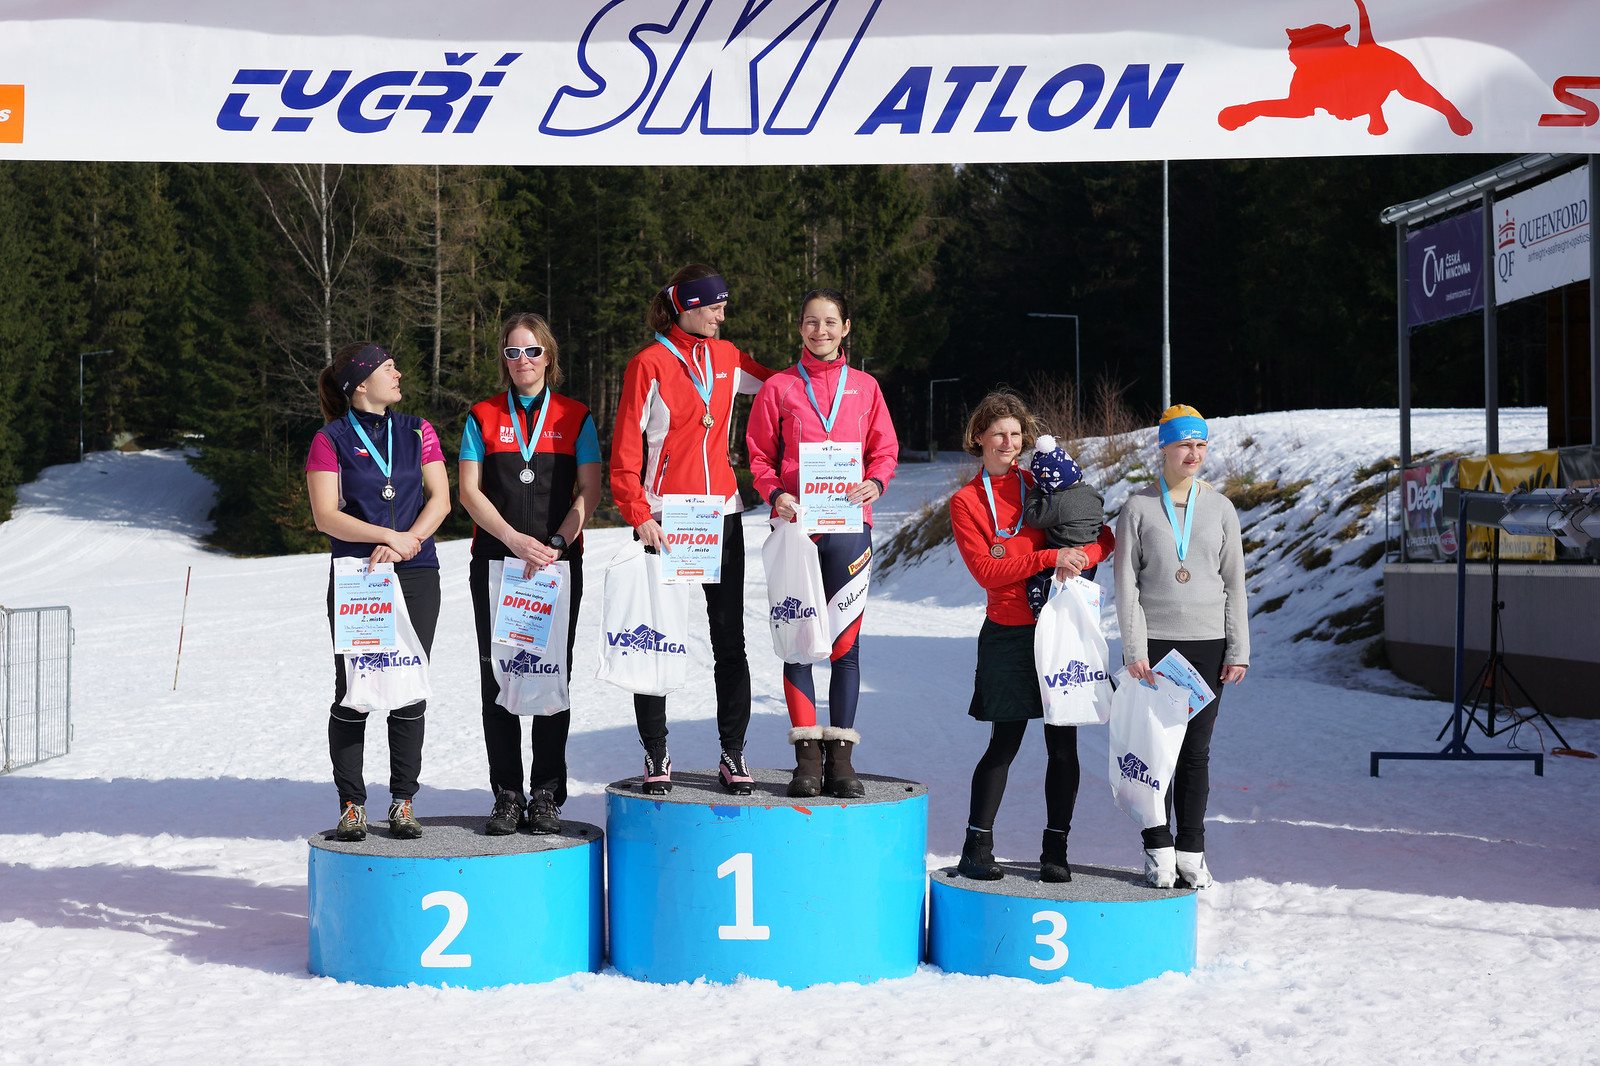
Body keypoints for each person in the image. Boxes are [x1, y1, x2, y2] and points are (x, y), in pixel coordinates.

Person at [610, 264, 775, 795]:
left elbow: (782, 386)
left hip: (721, 513)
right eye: (715, 308)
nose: (722, 316)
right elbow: (625, 450)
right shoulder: (649, 363)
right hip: (665, 517)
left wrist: (830, 365)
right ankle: (656, 752)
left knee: (730, 639)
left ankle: (733, 751)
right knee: (656, 637)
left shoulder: (727, 356)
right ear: (687, 306)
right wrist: (638, 512)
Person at [948, 391, 1115, 882]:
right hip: (1008, 632)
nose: (1009, 442)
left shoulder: (1042, 482)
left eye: (1016, 433)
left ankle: (1055, 852)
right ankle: (976, 848)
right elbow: (986, 570)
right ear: (978, 438)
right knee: (1004, 744)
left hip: (1061, 629)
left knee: (1063, 746)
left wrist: (1083, 556)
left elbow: (1100, 536)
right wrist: (1049, 557)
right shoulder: (966, 501)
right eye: (998, 433)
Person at [746, 288, 899, 798]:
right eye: (811, 322)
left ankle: (842, 761)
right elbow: (759, 456)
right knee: (798, 642)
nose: (821, 331)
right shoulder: (779, 387)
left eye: (830, 322)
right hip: (797, 529)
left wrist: (875, 482)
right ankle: (807, 761)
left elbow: (885, 449)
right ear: (799, 327)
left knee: (845, 647)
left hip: (850, 528)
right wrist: (776, 494)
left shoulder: (866, 388)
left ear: (846, 327)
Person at [459, 314, 602, 836]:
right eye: (513, 351)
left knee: (550, 674)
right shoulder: (482, 415)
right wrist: (513, 540)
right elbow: (469, 492)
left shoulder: (576, 416)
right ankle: (506, 792)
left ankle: (545, 793)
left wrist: (557, 542)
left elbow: (590, 490)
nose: (523, 360)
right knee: (498, 677)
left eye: (533, 351)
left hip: (556, 564)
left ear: (549, 356)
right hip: (497, 563)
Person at [306, 343, 450, 841]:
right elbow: (326, 515)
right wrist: (387, 536)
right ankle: (352, 804)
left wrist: (408, 543)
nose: (399, 373)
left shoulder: (417, 429)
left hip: (416, 570)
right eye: (389, 368)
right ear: (361, 383)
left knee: (408, 686)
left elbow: (441, 499)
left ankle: (403, 801)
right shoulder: (330, 439)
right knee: (355, 690)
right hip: (360, 576)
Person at [1113, 404, 1249, 890]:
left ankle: (1192, 852)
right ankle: (1158, 849)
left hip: (1208, 646)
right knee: (1156, 752)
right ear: (1164, 448)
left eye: (1200, 445)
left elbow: (1235, 582)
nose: (1193, 454)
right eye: (1184, 445)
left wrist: (1238, 648)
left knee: (1195, 752)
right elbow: (1126, 585)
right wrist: (1134, 648)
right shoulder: (1138, 507)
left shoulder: (1221, 508)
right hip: (1156, 647)